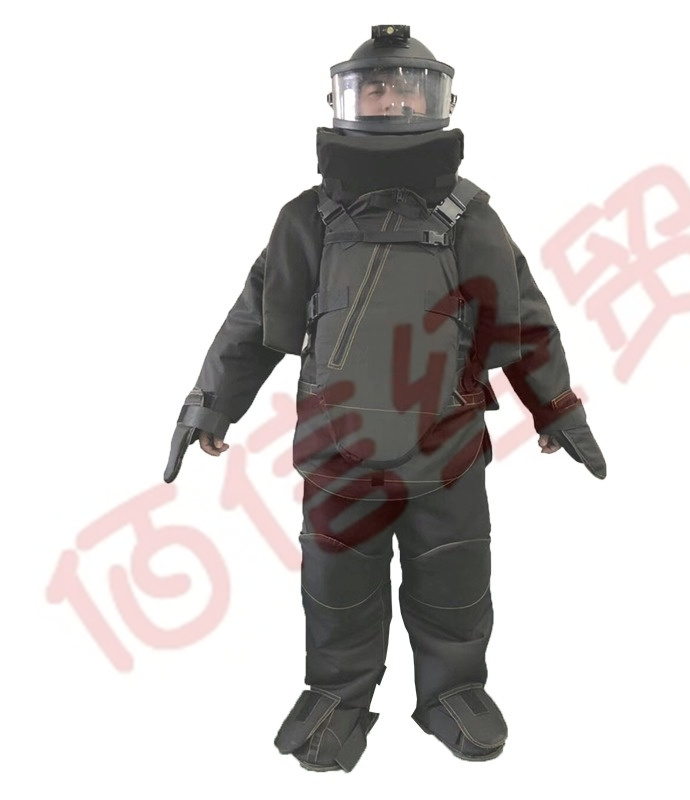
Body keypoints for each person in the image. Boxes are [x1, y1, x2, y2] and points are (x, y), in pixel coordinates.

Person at [165, 24, 606, 772]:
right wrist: (210, 403)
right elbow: (254, 319)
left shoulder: (469, 219)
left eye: (408, 90)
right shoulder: (307, 220)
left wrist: (556, 407)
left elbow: (524, 318)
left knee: (454, 585)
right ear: (343, 101)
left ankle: (452, 691)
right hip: (338, 455)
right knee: (337, 590)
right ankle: (337, 695)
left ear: (439, 101)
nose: (393, 102)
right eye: (375, 89)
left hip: (449, 450)